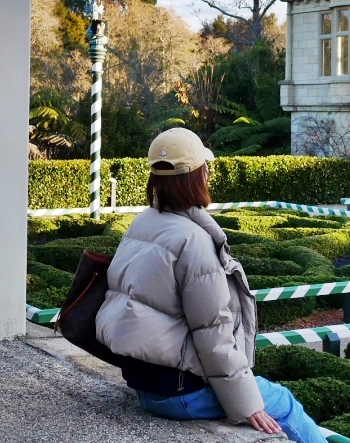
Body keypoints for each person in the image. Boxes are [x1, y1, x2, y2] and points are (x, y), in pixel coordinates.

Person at [96, 128, 327, 443]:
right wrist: (246, 405)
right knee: (283, 403)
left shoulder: (144, 221)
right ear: (197, 176)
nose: (209, 176)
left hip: (146, 385)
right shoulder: (195, 242)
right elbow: (213, 334)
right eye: (206, 169)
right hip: (179, 393)